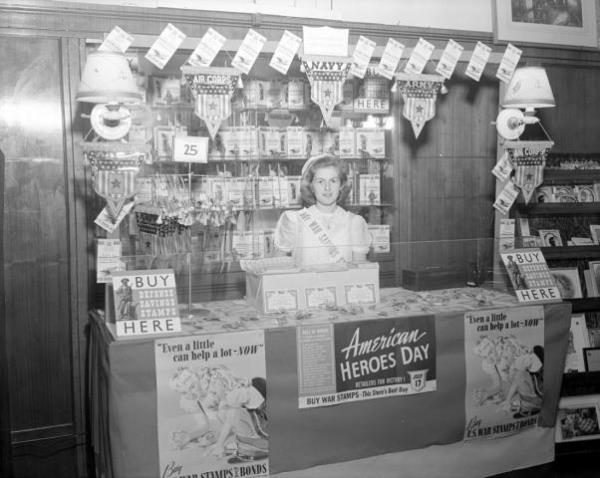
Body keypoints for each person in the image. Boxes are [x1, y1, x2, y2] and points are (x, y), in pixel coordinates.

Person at [273, 154, 371, 268]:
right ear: (311, 186)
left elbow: (360, 274)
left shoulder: (355, 223)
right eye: (320, 181)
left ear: (341, 185)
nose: (327, 187)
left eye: (333, 181)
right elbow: (275, 269)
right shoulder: (294, 221)